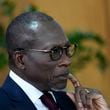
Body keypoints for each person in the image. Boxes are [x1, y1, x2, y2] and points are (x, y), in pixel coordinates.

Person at [0, 11, 109, 110]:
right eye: (54, 52)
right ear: (21, 60)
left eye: (67, 49)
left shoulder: (73, 104)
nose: (67, 61)